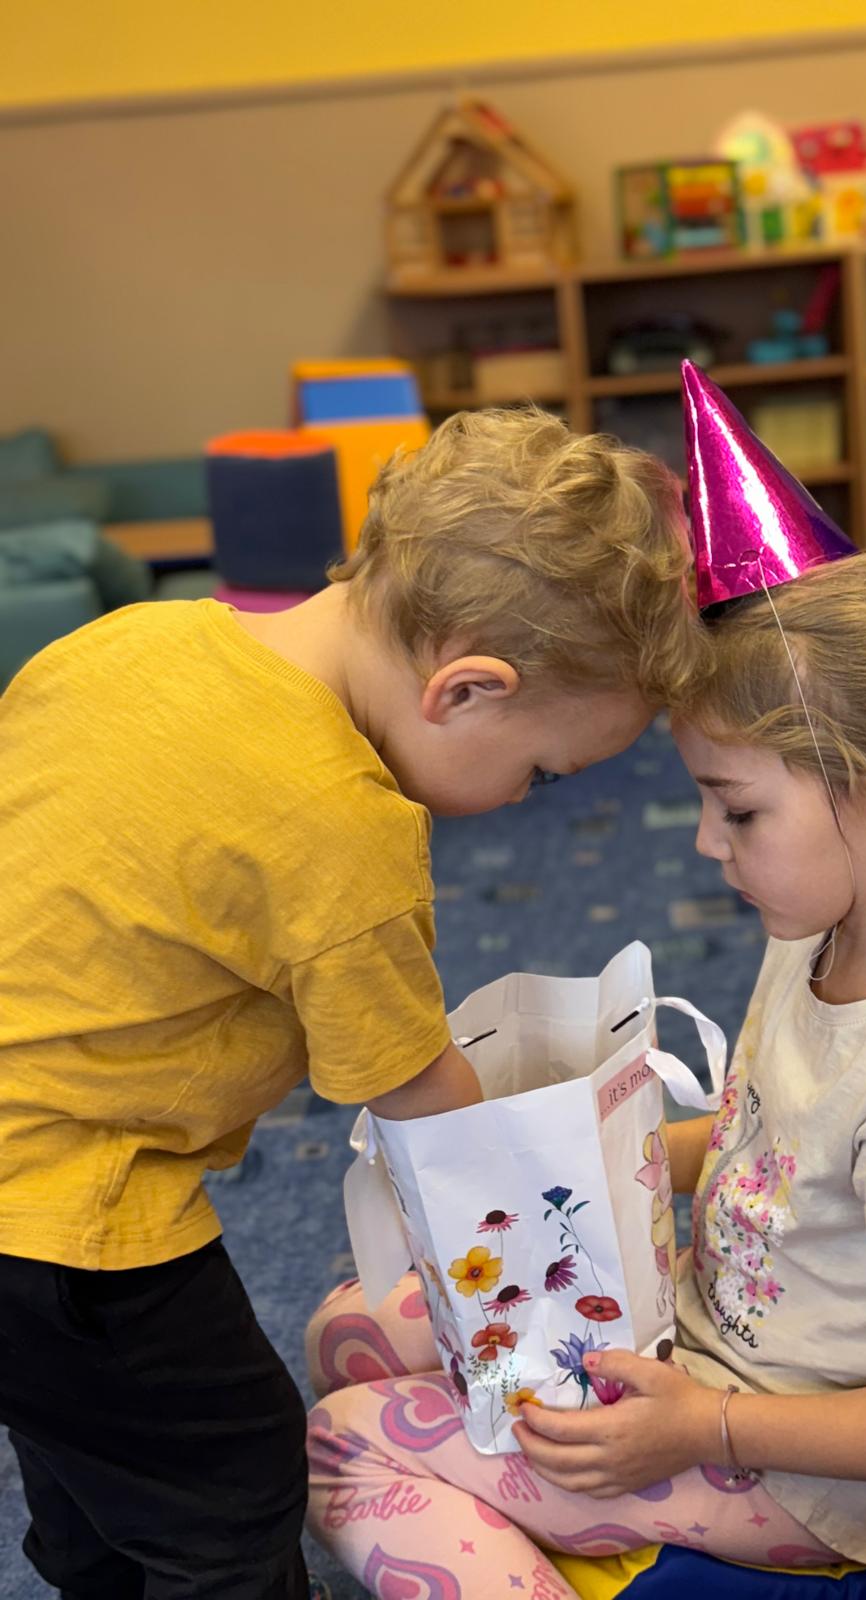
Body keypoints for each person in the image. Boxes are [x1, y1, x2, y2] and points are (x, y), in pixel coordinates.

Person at [303, 549, 866, 1594]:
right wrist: (589, 1161)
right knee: (348, 1325)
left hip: (807, 1468)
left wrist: (704, 1424)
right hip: (710, 1339)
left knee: (344, 1441)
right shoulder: (827, 923)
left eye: (738, 811)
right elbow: (769, 1146)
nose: (704, 842)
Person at [0, 406, 709, 1600]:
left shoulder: (126, 642)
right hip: (70, 1218)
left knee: (91, 1443)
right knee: (230, 1483)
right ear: (465, 689)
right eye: (542, 771)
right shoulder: (342, 829)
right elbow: (426, 1103)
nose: (526, 797)